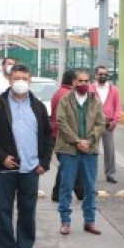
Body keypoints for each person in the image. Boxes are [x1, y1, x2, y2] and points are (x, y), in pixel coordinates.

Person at [0, 63, 52, 248]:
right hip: (5, 170)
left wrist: (44, 162)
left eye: (24, 78)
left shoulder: (38, 106)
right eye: (16, 78)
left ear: (30, 81)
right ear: (10, 80)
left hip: (31, 170)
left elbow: (49, 136)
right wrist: (2, 157)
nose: (20, 82)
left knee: (27, 212)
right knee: (3, 212)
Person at [55, 69, 106, 235]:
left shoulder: (95, 102)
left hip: (89, 151)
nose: (83, 84)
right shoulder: (65, 100)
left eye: (86, 81)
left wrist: (89, 141)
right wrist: (77, 141)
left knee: (90, 188)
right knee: (66, 186)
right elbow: (61, 122)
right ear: (74, 82)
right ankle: (65, 221)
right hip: (69, 150)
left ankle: (89, 221)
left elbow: (100, 123)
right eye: (80, 81)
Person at [50, 70, 84, 203]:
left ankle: (76, 191)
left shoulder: (60, 93)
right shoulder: (67, 96)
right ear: (73, 81)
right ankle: (77, 192)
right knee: (70, 165)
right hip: (65, 137)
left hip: (59, 135)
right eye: (79, 80)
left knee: (67, 165)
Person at [91, 65, 122, 184]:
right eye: (100, 74)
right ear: (96, 75)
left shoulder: (114, 89)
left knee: (110, 150)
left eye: (105, 74)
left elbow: (118, 107)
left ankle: (111, 174)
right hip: (94, 125)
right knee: (93, 150)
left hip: (108, 124)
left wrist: (115, 121)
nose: (103, 76)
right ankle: (92, 174)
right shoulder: (90, 88)